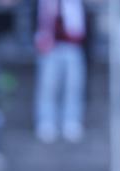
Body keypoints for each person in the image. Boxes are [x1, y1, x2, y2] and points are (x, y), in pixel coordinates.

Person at [34, 0, 86, 143]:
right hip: (49, 46)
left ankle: (71, 121)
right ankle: (46, 121)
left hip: (72, 45)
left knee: (73, 86)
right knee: (47, 86)